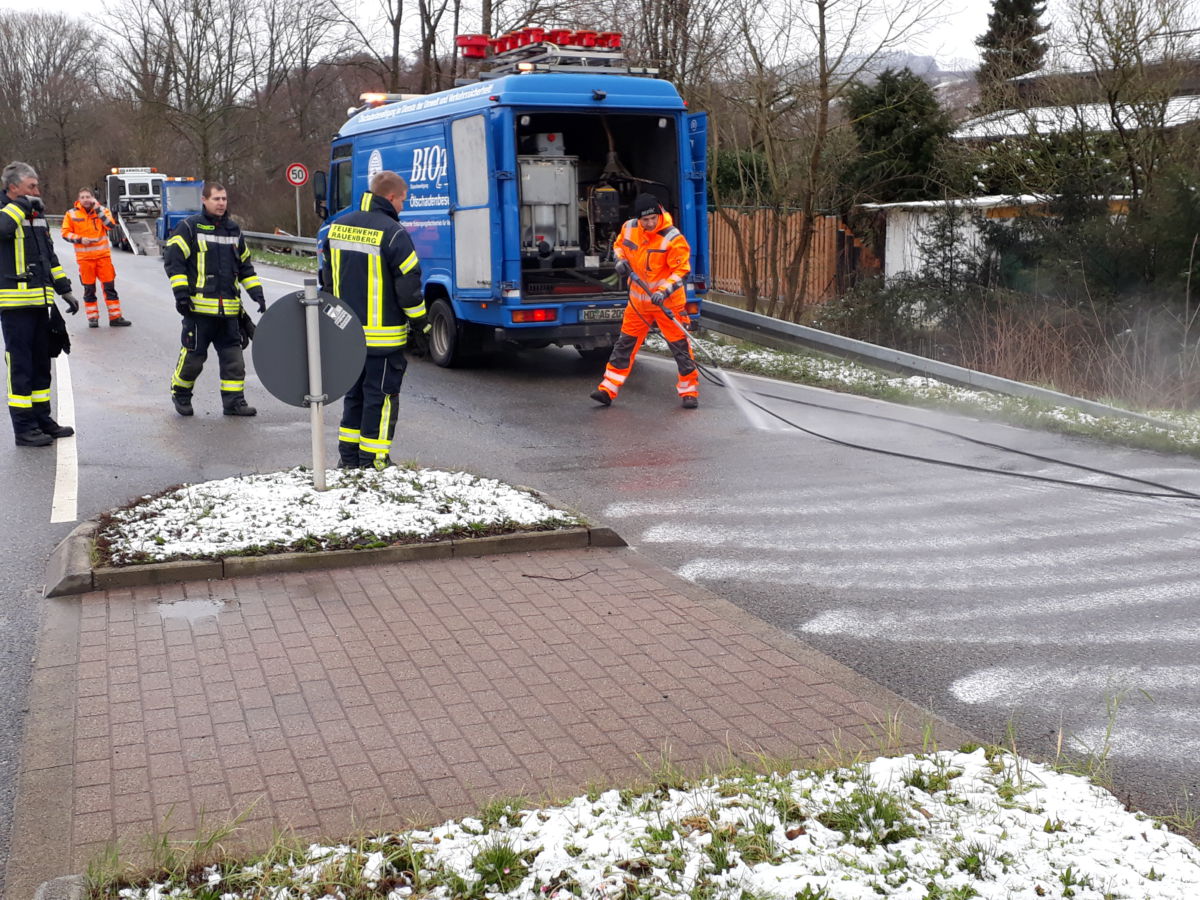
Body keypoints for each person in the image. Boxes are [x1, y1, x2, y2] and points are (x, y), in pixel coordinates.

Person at [322, 170, 429, 469]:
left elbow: (327, 283)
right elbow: (409, 290)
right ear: (391, 197)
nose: (403, 207)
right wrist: (422, 324)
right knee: (381, 398)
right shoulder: (394, 232)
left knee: (354, 397)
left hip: (347, 335)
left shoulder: (337, 227)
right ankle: (374, 461)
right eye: (403, 200)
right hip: (383, 338)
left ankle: (349, 459)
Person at [162, 181, 265, 417]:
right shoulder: (189, 228)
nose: (221, 203)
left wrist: (257, 294)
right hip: (198, 311)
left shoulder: (234, 230)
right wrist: (181, 295)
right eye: (216, 199)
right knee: (193, 360)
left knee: (234, 362)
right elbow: (174, 261)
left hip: (229, 313)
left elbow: (245, 267)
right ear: (204, 200)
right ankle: (181, 393)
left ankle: (234, 403)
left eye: (224, 199)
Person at [591, 192, 698, 409]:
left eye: (653, 218)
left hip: (667, 304)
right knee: (624, 346)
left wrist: (663, 291)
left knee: (680, 349)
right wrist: (619, 260)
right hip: (638, 304)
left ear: (659, 213)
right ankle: (607, 389)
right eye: (645, 220)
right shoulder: (629, 228)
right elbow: (619, 245)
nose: (650, 223)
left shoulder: (672, 238)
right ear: (638, 220)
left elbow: (681, 270)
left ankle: (689, 392)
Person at [0, 161, 80, 447]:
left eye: (37, 185)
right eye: (31, 186)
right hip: (15, 306)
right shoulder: (7, 210)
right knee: (20, 366)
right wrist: (20, 205)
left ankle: (42, 419)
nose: (37, 190)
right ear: (13, 188)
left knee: (41, 364)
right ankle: (23, 428)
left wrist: (65, 289)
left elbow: (48, 257)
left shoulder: (35, 214)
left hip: (41, 302)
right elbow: (3, 229)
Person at [60, 187, 131, 328]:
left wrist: (98, 209)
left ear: (93, 198)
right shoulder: (71, 214)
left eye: (88, 196)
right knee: (89, 289)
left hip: (103, 258)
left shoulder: (102, 211)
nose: (86, 199)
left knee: (109, 288)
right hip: (85, 259)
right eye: (83, 197)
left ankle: (115, 317)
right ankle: (92, 318)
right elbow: (65, 233)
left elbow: (110, 225)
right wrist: (80, 239)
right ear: (78, 200)